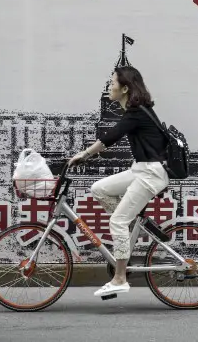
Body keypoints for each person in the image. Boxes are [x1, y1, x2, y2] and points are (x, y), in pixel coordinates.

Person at [67, 66, 170, 298]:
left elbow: (110, 137)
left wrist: (84, 155)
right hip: (141, 169)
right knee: (99, 188)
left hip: (151, 173)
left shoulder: (136, 113)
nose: (109, 86)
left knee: (117, 221)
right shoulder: (134, 111)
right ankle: (128, 227)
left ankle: (120, 278)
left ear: (124, 88)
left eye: (112, 82)